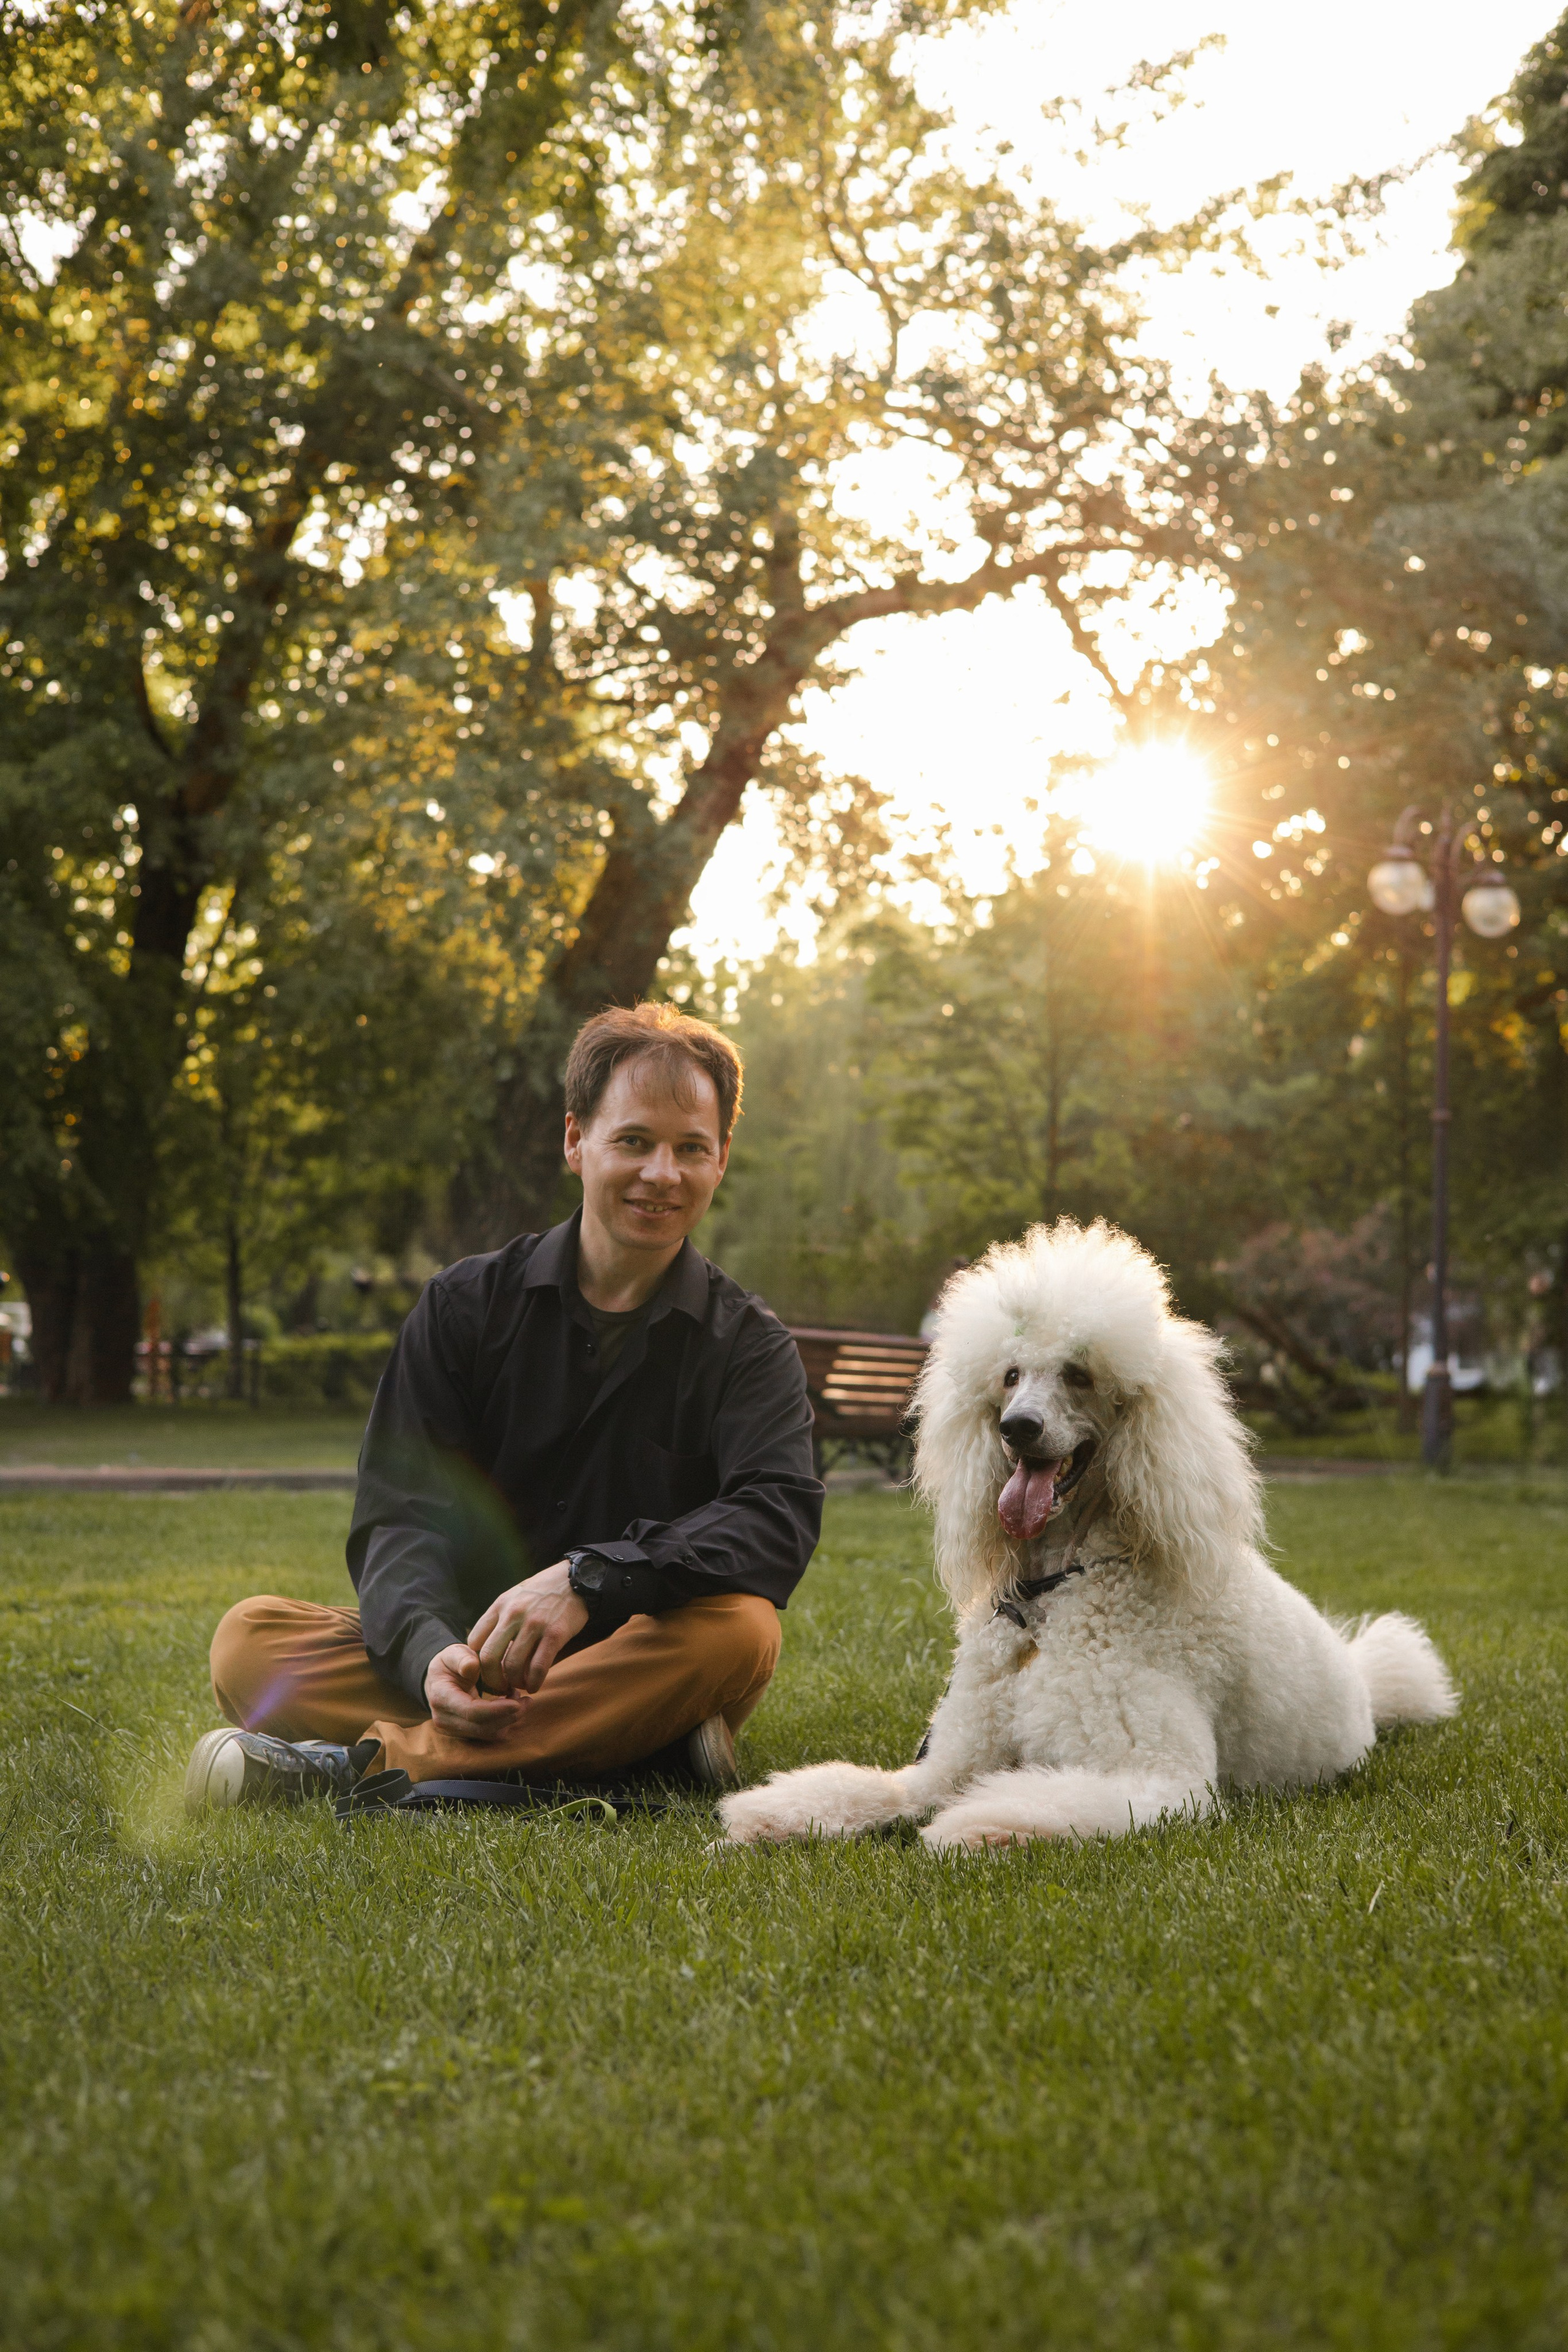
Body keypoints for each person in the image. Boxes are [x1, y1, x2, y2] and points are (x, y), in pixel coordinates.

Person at [184, 1003, 823, 1813]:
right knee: (251, 1641)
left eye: (690, 1149)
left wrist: (591, 1579)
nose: (662, 1173)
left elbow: (777, 1516)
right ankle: (637, 1747)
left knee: (743, 1631)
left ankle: (377, 1765)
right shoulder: (463, 1308)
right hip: (473, 1656)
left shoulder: (748, 1345)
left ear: (721, 1159)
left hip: (639, 1649)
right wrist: (428, 1657)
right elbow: (399, 1517)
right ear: (575, 1141)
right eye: (634, 1141)